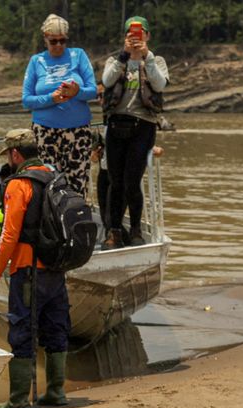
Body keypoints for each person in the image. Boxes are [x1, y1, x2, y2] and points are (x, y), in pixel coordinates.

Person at [0, 129, 71, 408]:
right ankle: (56, 392)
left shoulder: (17, 185)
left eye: (8, 155)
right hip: (56, 268)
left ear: (15, 154)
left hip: (27, 270)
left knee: (22, 331)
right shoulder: (55, 176)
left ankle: (19, 400)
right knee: (56, 327)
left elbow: (9, 235)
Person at [99, 16, 169, 248]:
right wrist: (124, 56)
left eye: (140, 33)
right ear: (125, 37)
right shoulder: (115, 60)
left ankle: (136, 229)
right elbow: (107, 80)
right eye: (131, 34)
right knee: (115, 181)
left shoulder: (156, 60)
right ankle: (114, 231)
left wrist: (146, 56)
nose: (136, 37)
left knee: (132, 181)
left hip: (143, 126)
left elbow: (159, 85)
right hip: (117, 125)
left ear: (147, 36)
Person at [22, 14, 98, 200]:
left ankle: (76, 224)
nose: (58, 46)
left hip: (78, 131)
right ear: (45, 39)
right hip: (45, 132)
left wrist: (76, 92)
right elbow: (26, 100)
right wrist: (51, 98)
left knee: (77, 185)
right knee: (48, 184)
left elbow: (93, 91)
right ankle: (50, 225)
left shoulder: (78, 55)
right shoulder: (36, 61)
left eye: (62, 41)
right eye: (53, 41)